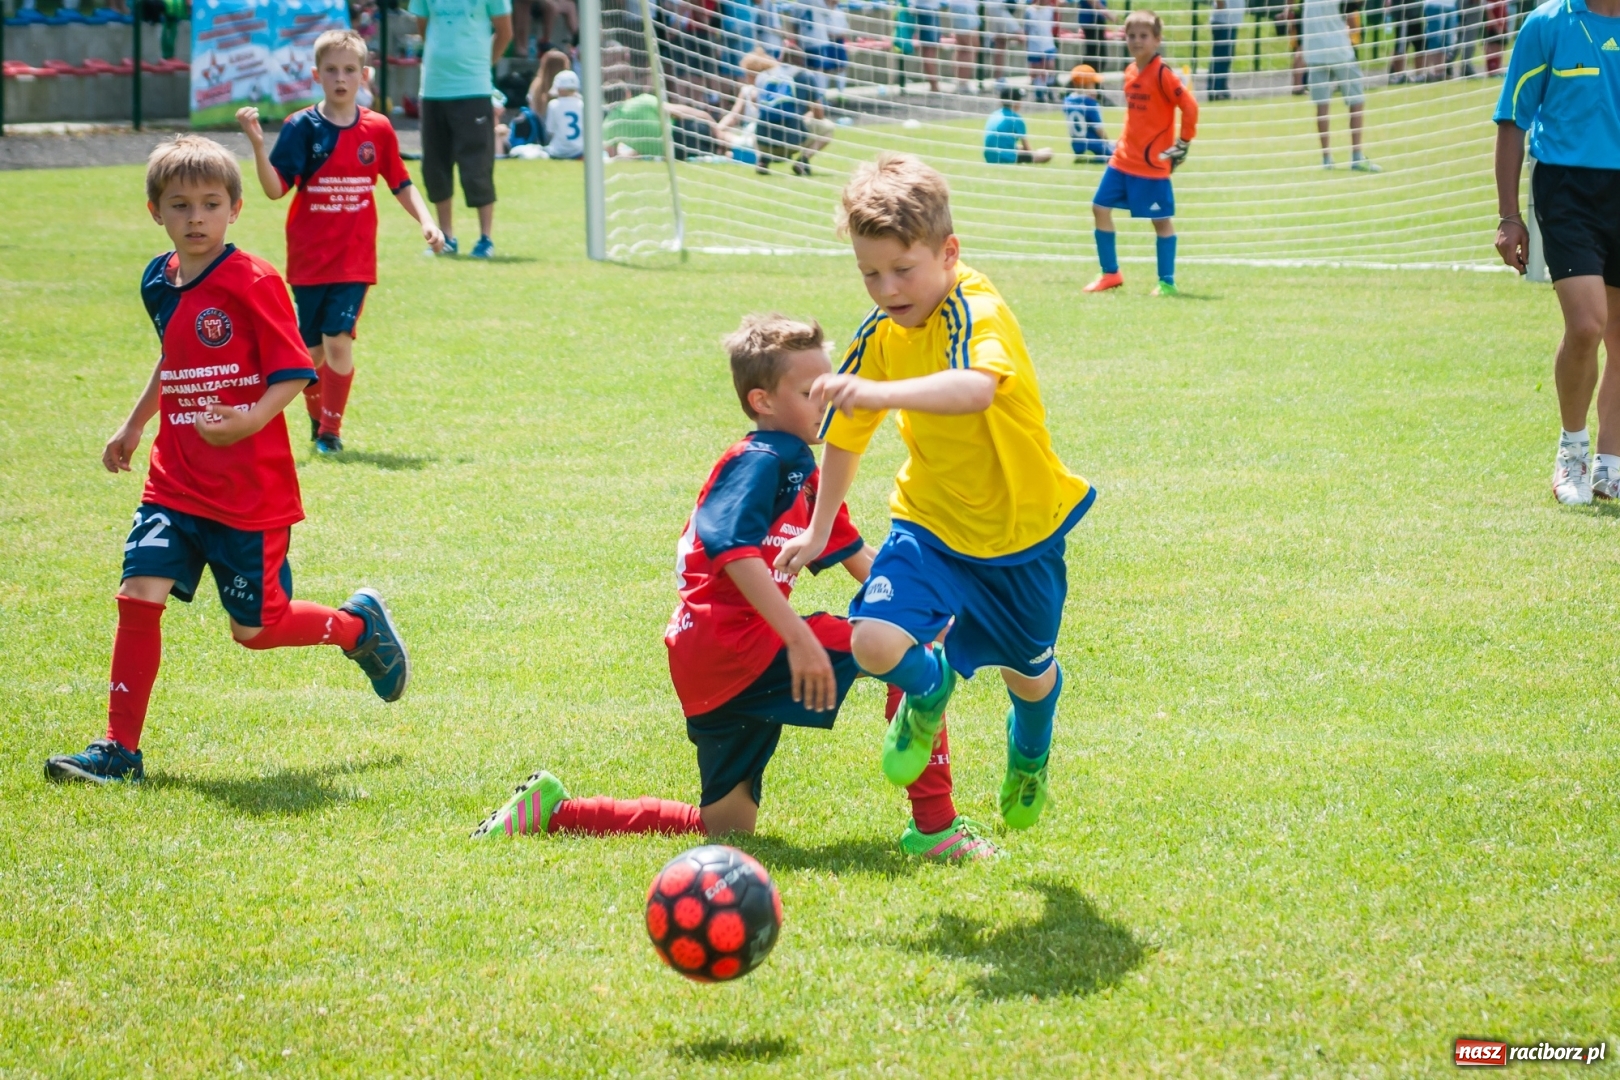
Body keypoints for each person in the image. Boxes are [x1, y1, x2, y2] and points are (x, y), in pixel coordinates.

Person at [472, 314, 998, 862]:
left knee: (727, 830)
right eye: (809, 391)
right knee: (905, 653)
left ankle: (555, 812)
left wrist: (951, 610)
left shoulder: (804, 472)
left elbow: (859, 559)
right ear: (762, 401)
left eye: (828, 386)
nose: (827, 400)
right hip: (738, 645)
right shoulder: (760, 460)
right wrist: (797, 637)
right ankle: (936, 829)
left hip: (711, 663)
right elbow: (730, 547)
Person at [43, 136, 411, 785]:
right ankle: (119, 751)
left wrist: (248, 419)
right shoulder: (159, 281)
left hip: (249, 494)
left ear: (236, 208)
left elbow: (297, 371)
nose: (195, 217)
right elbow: (175, 358)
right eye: (179, 204)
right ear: (155, 209)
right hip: (173, 484)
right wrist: (133, 427)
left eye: (210, 204)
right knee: (138, 592)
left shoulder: (254, 280)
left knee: (256, 629)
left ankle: (356, 629)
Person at [772, 154, 1095, 835]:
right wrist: (818, 527)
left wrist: (880, 394)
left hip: (1021, 534)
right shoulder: (880, 335)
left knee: (1030, 678)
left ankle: (1030, 753)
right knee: (873, 641)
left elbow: (975, 388)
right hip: (931, 527)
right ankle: (930, 688)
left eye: (902, 269)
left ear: (949, 253)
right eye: (869, 273)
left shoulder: (976, 308)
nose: (886, 288)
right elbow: (848, 436)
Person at [237, 30, 445, 457]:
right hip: (309, 259)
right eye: (331, 70)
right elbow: (276, 190)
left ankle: (331, 432)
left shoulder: (378, 128)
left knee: (338, 340)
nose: (340, 78)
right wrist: (258, 146)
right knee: (310, 353)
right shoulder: (301, 127)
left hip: (354, 260)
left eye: (349, 70)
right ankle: (316, 423)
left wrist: (427, 221)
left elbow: (400, 182)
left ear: (364, 75)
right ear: (316, 74)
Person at [1492, 0, 1620, 504]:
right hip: (1566, 189)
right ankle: (1573, 450)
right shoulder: (1546, 24)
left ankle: (1611, 463)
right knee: (1588, 324)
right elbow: (1512, 120)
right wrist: (1508, 216)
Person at [1084, 10, 1197, 296]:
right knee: (1099, 208)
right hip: (1123, 160)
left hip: (1151, 165)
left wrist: (1183, 142)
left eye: (1144, 36)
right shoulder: (1130, 71)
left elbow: (1191, 107)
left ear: (1157, 40)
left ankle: (1166, 282)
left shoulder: (1163, 74)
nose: (1137, 41)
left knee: (1160, 222)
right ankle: (1111, 274)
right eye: (1131, 35)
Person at [411, 0, 513, 259]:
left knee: (477, 164)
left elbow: (506, 32)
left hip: (474, 89)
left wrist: (481, 64)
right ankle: (446, 237)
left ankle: (485, 239)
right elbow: (423, 29)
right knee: (435, 166)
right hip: (434, 88)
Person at [1302, 0, 1379, 170]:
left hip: (1314, 52)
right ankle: (1357, 156)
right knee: (1356, 101)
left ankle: (1326, 159)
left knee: (1322, 106)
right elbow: (1354, 22)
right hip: (1340, 52)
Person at [983, 85, 1053, 163]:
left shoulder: (994, 114)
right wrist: (1035, 154)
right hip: (1005, 158)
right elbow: (1027, 149)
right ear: (1016, 103)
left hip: (989, 157)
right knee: (1048, 152)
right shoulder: (1016, 118)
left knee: (1018, 148)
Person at [1063, 63, 1113, 162]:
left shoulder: (1067, 101)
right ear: (1085, 85)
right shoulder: (1089, 103)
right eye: (1093, 84)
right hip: (1096, 147)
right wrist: (1108, 142)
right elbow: (1098, 129)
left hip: (1078, 147)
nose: (1095, 88)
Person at [540, 68, 586, 158]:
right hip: (579, 150)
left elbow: (550, 130)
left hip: (558, 151)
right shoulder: (582, 105)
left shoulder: (553, 105)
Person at [1025, 0, 1060, 101]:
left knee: (1050, 66)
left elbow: (1053, 25)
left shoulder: (1050, 9)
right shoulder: (1029, 11)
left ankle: (1049, 89)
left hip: (1047, 42)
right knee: (1036, 68)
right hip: (1034, 43)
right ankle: (1039, 92)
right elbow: (1026, 29)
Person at [1208, 0, 1245, 100]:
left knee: (1226, 56)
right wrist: (1220, 3)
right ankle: (1216, 90)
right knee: (1221, 57)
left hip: (1230, 20)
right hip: (1223, 20)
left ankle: (1222, 89)